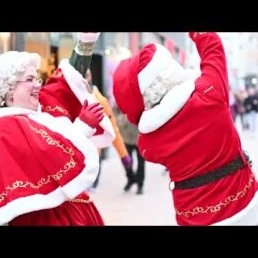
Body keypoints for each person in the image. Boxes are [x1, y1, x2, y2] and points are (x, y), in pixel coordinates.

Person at [113, 32, 258, 226]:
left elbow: (139, 124)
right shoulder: (210, 92)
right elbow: (213, 46)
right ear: (171, 70)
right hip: (243, 199)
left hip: (193, 214)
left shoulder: (149, 144)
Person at [0, 32, 116, 226]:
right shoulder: (6, 127)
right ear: (8, 89)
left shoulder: (38, 110)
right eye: (30, 79)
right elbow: (48, 154)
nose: (38, 84)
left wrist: (86, 42)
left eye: (37, 78)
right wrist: (83, 127)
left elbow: (66, 82)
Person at [85, 68, 132, 190]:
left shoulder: (100, 100)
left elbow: (113, 127)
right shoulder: (69, 96)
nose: (84, 78)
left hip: (95, 145)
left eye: (87, 75)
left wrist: (123, 154)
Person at [113, 104, 145, 194]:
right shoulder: (119, 100)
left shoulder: (140, 99)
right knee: (126, 162)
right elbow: (114, 116)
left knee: (141, 164)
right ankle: (131, 179)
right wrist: (124, 118)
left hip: (140, 138)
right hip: (126, 138)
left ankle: (140, 184)